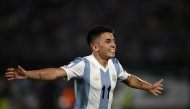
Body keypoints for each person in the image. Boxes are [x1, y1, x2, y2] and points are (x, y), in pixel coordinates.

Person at [5, 25, 163, 109]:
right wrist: (28, 74)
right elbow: (55, 72)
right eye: (108, 41)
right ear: (95, 47)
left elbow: (129, 79)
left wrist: (148, 86)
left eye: (113, 40)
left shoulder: (115, 64)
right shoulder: (83, 64)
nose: (113, 44)